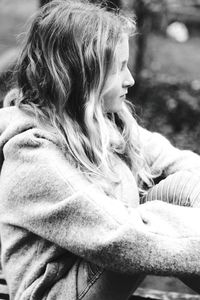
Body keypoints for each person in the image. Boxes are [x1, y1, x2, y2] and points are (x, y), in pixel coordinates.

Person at [1, 0, 200, 299]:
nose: (130, 79)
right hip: (58, 291)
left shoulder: (101, 123)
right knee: (140, 232)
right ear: (83, 75)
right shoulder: (32, 157)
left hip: (101, 261)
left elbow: (176, 161)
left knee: (183, 186)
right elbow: (119, 239)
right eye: (119, 67)